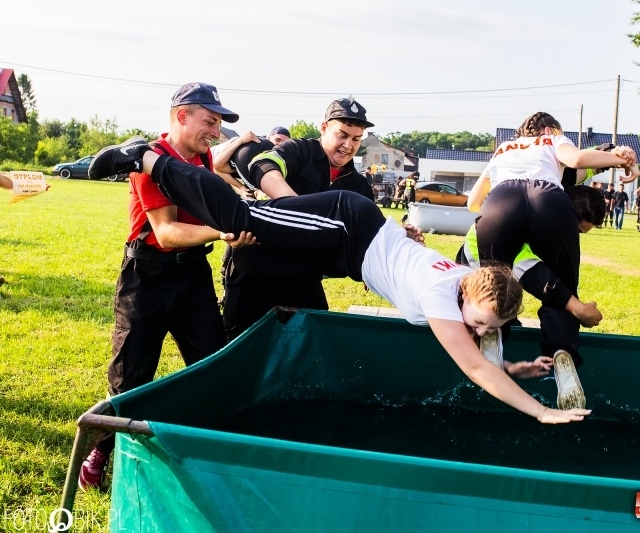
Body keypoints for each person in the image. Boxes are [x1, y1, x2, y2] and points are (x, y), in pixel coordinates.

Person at [88, 137, 593, 425]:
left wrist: (517, 364)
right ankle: (145, 158)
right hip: (347, 227)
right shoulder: (444, 297)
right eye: (480, 323)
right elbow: (478, 371)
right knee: (244, 220)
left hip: (349, 250)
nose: (481, 330)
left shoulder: (476, 286)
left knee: (257, 231)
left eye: (489, 327)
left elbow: (489, 338)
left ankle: (158, 164)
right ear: (466, 294)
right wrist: (541, 413)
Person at [79, 82, 256, 491]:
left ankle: (208, 449)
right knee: (131, 376)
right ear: (181, 116)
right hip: (147, 278)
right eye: (209, 121)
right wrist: (222, 231)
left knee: (212, 363)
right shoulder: (150, 160)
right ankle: (101, 450)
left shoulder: (202, 154)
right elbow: (167, 231)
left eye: (219, 124)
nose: (215, 131)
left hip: (192, 277)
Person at [464, 111, 637, 410]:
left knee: (494, 282)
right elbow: (580, 162)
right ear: (551, 129)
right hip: (549, 200)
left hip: (500, 201)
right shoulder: (553, 140)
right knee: (565, 288)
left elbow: (473, 203)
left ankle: (491, 333)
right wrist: (621, 157)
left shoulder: (504, 149)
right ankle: (562, 352)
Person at [219, 98, 375, 341]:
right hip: (257, 269)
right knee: (240, 351)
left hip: (304, 276)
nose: (347, 145)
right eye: (342, 135)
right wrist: (298, 210)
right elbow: (262, 164)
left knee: (311, 348)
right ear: (324, 128)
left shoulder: (358, 185)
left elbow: (367, 230)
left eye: (356, 139)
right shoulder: (300, 150)